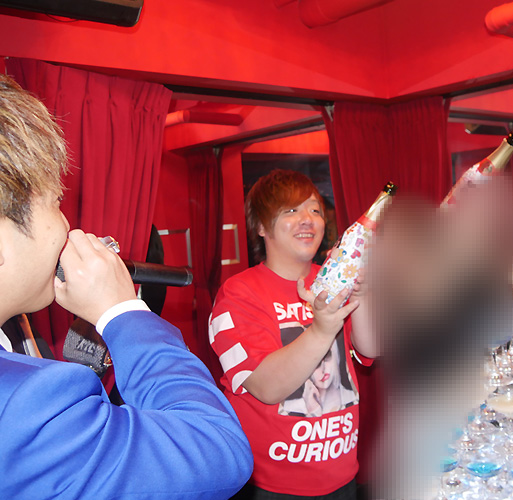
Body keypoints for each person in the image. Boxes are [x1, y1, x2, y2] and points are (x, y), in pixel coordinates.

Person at [0, 74, 253, 499]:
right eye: (55, 203)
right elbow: (218, 448)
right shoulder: (29, 404)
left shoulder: (19, 335)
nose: (66, 224)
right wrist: (122, 311)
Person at [209, 169, 375, 500]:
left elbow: (371, 348)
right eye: (291, 210)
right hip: (271, 484)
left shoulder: (331, 278)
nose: (307, 219)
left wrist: (363, 294)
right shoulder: (238, 293)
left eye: (314, 209)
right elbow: (266, 386)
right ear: (260, 226)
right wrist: (321, 329)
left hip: (342, 472)